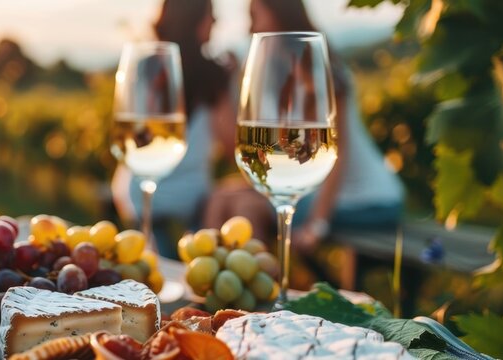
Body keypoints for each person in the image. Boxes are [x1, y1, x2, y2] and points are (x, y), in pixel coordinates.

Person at [204, 0, 405, 286]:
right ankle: (216, 291)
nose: (250, 27)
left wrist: (316, 225)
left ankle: (259, 295)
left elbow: (337, 153)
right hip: (321, 194)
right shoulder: (275, 70)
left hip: (366, 200)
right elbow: (245, 144)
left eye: (255, 16)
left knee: (246, 208)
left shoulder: (318, 71)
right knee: (222, 196)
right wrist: (228, 84)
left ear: (279, 13)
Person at [111, 0, 233, 260]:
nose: (215, 22)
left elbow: (136, 135)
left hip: (133, 190)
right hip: (190, 199)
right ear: (193, 19)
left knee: (158, 262)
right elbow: (232, 142)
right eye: (210, 15)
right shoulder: (213, 74)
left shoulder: (144, 66)